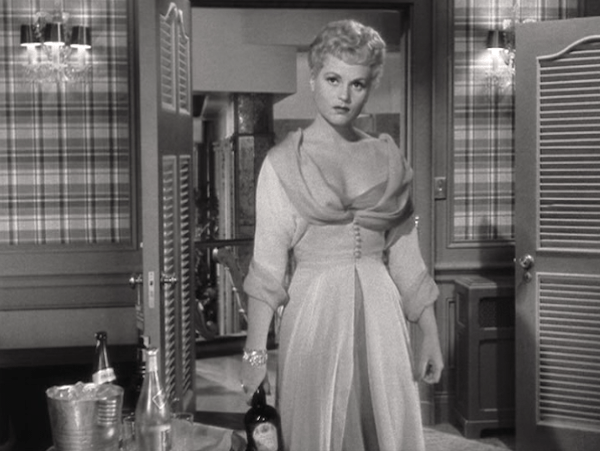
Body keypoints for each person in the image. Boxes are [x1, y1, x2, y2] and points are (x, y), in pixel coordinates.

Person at [240, 19, 444, 451]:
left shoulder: (387, 158)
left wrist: (430, 332)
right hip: (314, 315)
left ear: (370, 87)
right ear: (312, 78)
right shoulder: (283, 163)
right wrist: (254, 354)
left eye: (358, 84)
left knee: (383, 427)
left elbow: (407, 258)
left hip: (382, 316)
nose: (344, 96)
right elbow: (267, 269)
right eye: (333, 79)